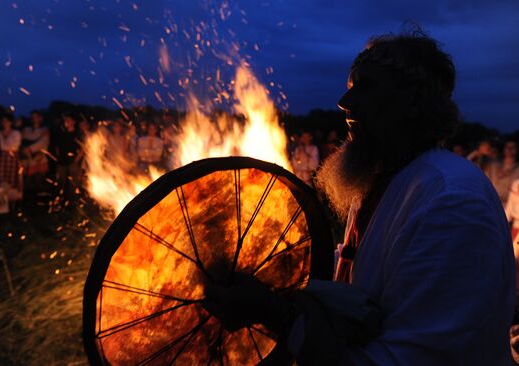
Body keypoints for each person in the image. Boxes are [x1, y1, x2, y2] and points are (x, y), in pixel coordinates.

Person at [204, 30, 515, 365]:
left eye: (365, 87)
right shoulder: (382, 182)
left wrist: (272, 313)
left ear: (412, 101)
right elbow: (358, 291)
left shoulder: (451, 202)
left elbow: (403, 359)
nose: (344, 103)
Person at [0, 113, 23, 206]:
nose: (5, 123)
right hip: (0, 159)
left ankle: (12, 204)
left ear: (11, 122)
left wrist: (2, 145)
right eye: (3, 121)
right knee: (0, 179)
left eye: (7, 121)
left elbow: (11, 146)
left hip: (12, 160)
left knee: (12, 181)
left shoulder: (16, 133)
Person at [21, 110, 50, 197]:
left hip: (39, 159)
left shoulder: (44, 130)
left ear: (40, 118)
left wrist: (30, 149)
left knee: (39, 181)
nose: (34, 119)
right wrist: (24, 150)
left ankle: (39, 201)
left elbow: (43, 142)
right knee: (27, 181)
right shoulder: (26, 130)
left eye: (36, 117)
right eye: (32, 117)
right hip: (27, 159)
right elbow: (21, 141)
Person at [487, 139, 519, 208]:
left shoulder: (517, 170)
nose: (509, 149)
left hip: (507, 206)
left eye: (513, 147)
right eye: (507, 147)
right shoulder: (494, 165)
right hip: (490, 204)